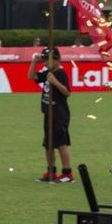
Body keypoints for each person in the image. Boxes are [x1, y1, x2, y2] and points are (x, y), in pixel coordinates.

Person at [33, 48, 72, 183]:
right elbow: (32, 77)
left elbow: (67, 92)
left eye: (47, 60)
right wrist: (34, 62)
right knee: (48, 144)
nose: (45, 63)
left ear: (56, 60)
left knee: (61, 144)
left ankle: (67, 173)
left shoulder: (59, 73)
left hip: (58, 113)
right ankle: (51, 171)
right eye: (44, 60)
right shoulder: (49, 72)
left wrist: (54, 81)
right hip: (48, 113)